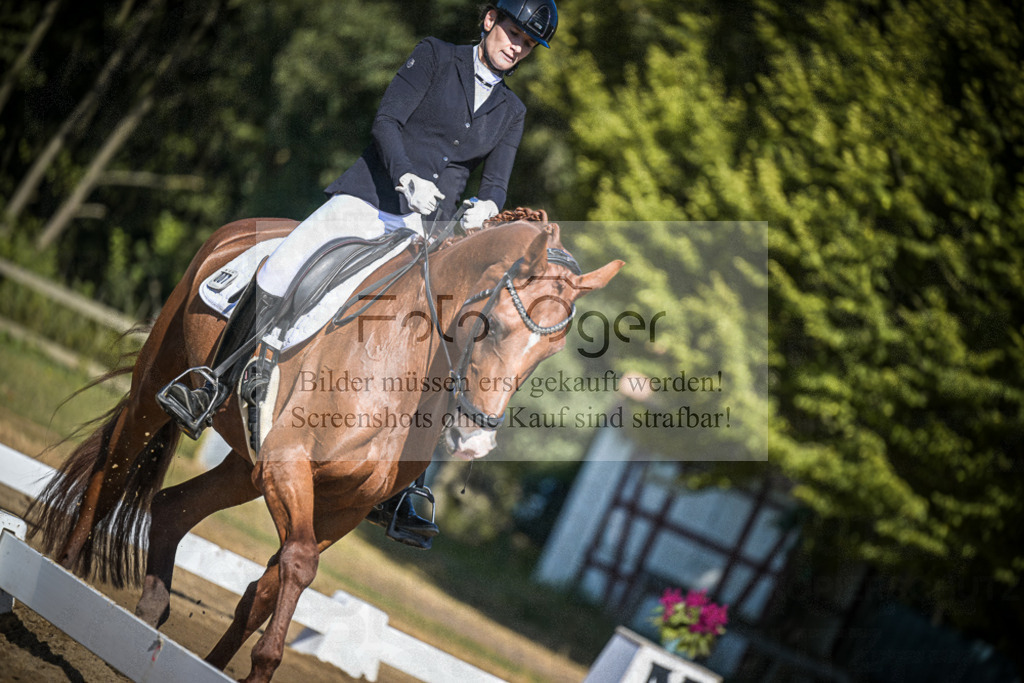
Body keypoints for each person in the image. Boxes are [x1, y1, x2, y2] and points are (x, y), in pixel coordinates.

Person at [159, 0, 557, 548]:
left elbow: (495, 183)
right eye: (513, 32)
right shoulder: (435, 57)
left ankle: (401, 481)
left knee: (449, 339)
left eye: (527, 44)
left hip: (433, 232)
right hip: (370, 200)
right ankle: (211, 380)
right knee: (280, 272)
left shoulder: (511, 112)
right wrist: (407, 178)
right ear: (490, 20)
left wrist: (485, 211)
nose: (517, 46)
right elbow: (387, 121)